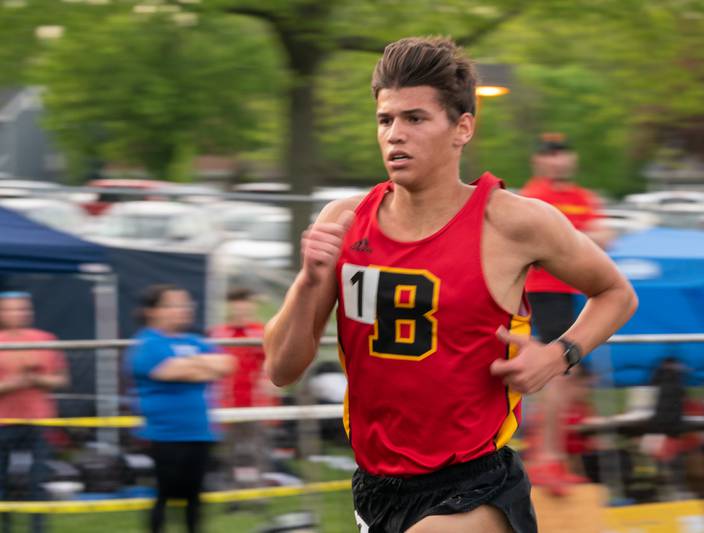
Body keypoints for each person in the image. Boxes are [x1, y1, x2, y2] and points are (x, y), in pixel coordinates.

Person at [263, 36, 638, 533]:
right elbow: (281, 369)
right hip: (376, 485)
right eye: (385, 120)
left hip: (474, 487)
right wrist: (310, 282)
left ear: (462, 128)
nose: (396, 134)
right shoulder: (346, 221)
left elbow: (617, 293)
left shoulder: (513, 222)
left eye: (415, 119)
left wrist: (557, 355)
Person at [518, 133, 613, 493]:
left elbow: (604, 233)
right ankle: (546, 460)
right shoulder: (535, 196)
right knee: (559, 375)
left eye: (562, 154)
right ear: (539, 162)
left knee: (570, 381)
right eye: (550, 155)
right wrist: (584, 235)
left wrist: (583, 234)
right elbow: (559, 240)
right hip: (542, 294)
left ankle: (551, 457)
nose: (557, 161)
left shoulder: (580, 198)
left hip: (572, 294)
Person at [128, 285, 234, 533]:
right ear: (153, 311)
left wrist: (191, 363)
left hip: (200, 432)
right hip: (165, 435)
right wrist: (204, 365)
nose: (184, 310)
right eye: (175, 304)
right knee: (164, 497)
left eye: (186, 304)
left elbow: (228, 364)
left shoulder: (196, 340)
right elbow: (169, 371)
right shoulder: (147, 343)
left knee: (194, 499)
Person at [0, 291, 68, 533]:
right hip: (3, 421)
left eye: (23, 308)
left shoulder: (46, 339)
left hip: (39, 419)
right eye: (12, 308)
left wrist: (37, 378)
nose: (19, 313)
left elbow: (61, 380)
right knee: (2, 482)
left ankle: (38, 528)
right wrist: (13, 383)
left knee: (38, 480)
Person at [209, 288, 275, 488]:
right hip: (227, 404)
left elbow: (273, 365)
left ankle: (256, 493)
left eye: (245, 305)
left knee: (257, 451)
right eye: (236, 306)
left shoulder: (263, 332)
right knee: (230, 453)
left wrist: (270, 385)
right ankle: (233, 493)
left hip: (256, 404)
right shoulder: (219, 333)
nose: (241, 311)